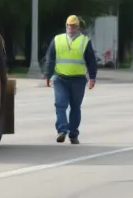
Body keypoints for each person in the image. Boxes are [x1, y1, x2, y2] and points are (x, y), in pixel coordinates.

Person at [42, 15, 97, 144]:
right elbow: (50, 58)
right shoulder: (57, 40)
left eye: (73, 26)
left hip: (78, 80)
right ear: (66, 26)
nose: (70, 28)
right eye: (68, 25)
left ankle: (73, 134)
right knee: (60, 105)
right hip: (60, 78)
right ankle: (62, 130)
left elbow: (91, 61)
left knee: (75, 107)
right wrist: (47, 75)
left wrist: (92, 78)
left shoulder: (85, 41)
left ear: (78, 27)